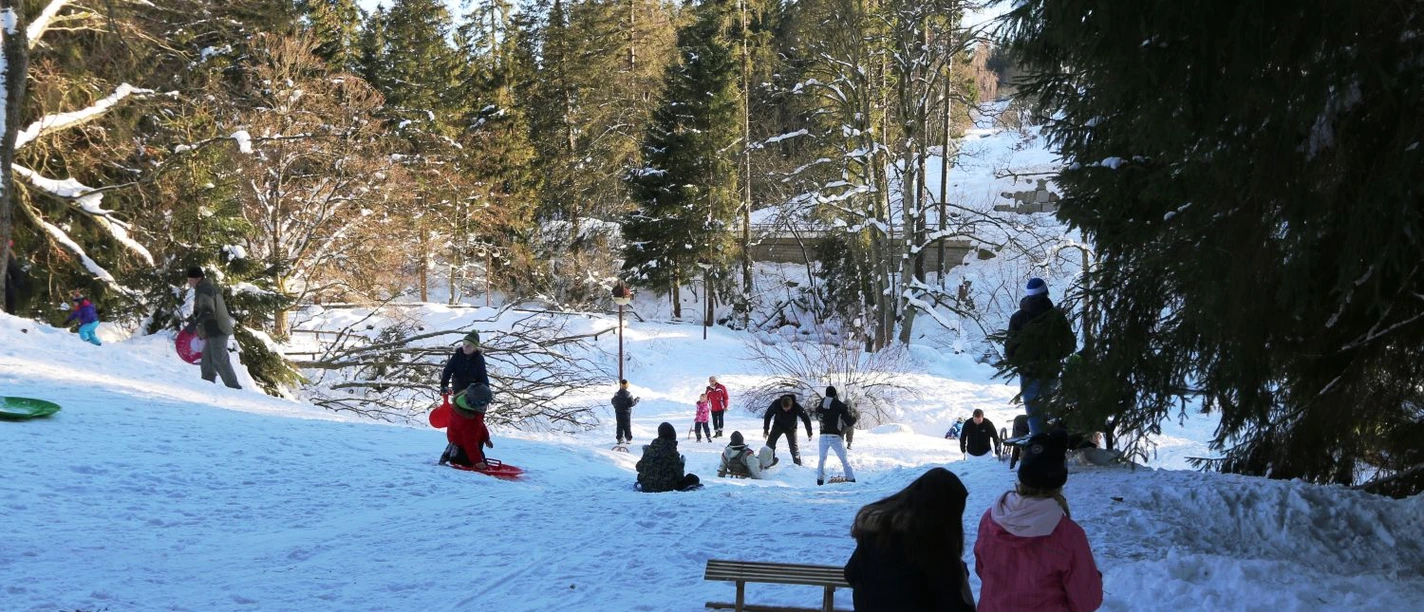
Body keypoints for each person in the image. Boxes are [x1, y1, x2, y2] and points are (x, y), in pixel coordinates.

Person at [974, 430, 1103, 612]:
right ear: (1059, 482)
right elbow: (1087, 600)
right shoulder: (1068, 536)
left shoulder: (990, 520)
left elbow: (982, 570)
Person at [844, 467, 976, 612]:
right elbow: (959, 606)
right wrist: (959, 574)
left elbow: (851, 573)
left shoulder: (879, 533)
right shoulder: (934, 550)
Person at [1003, 277, 1076, 435]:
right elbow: (1070, 344)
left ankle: (1038, 448)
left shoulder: (1018, 318)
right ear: (1046, 293)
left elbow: (1010, 349)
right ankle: (1055, 448)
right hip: (1051, 372)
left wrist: (1022, 362)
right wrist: (1054, 356)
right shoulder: (1057, 316)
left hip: (1028, 374)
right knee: (1052, 412)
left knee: (1034, 414)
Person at [184, 267, 241, 389]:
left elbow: (208, 311)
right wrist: (193, 318)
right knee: (207, 361)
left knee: (219, 359)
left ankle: (234, 388)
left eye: (190, 280)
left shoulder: (204, 289)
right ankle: (208, 387)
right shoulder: (206, 288)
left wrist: (194, 322)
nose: (189, 283)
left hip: (217, 328)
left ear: (197, 278)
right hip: (212, 328)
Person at [440, 383, 494, 468]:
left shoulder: (468, 409)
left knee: (475, 449)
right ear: (476, 403)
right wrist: (477, 462)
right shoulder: (469, 420)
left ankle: (454, 451)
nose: (486, 406)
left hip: (464, 441)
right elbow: (470, 442)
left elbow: (480, 424)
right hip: (462, 446)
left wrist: (486, 438)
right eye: (484, 404)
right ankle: (455, 457)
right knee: (468, 459)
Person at [635, 422, 701, 492]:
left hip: (646, 486)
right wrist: (682, 463)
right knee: (693, 478)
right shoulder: (672, 452)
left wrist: (645, 455)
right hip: (666, 487)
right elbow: (679, 476)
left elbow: (639, 467)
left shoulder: (650, 449)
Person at [813, 385, 856, 485]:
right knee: (844, 460)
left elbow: (816, 413)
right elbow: (849, 422)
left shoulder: (820, 405)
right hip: (835, 437)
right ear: (835, 394)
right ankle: (851, 479)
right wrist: (854, 418)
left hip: (823, 436)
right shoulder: (839, 405)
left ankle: (820, 480)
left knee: (822, 459)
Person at [763, 394, 812, 466]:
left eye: (787, 408)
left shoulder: (796, 406)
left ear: (791, 406)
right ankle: (770, 462)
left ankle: (798, 465)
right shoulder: (776, 404)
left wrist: (809, 432)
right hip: (778, 426)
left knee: (794, 448)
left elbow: (805, 418)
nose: (785, 410)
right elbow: (768, 415)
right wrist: (766, 430)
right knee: (770, 444)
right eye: (784, 408)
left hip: (791, 428)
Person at [440, 331, 489, 397]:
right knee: (458, 406)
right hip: (458, 389)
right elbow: (447, 370)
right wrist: (444, 385)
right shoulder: (457, 356)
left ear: (475, 348)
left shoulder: (479, 359)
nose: (465, 347)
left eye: (469, 346)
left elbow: (483, 376)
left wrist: (486, 392)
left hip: (473, 392)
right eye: (464, 344)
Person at [612, 379, 639, 445]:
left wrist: (615, 406)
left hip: (618, 412)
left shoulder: (616, 394)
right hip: (626, 413)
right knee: (627, 425)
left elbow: (612, 401)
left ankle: (619, 438)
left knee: (619, 425)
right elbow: (631, 404)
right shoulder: (628, 395)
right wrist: (637, 400)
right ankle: (628, 438)